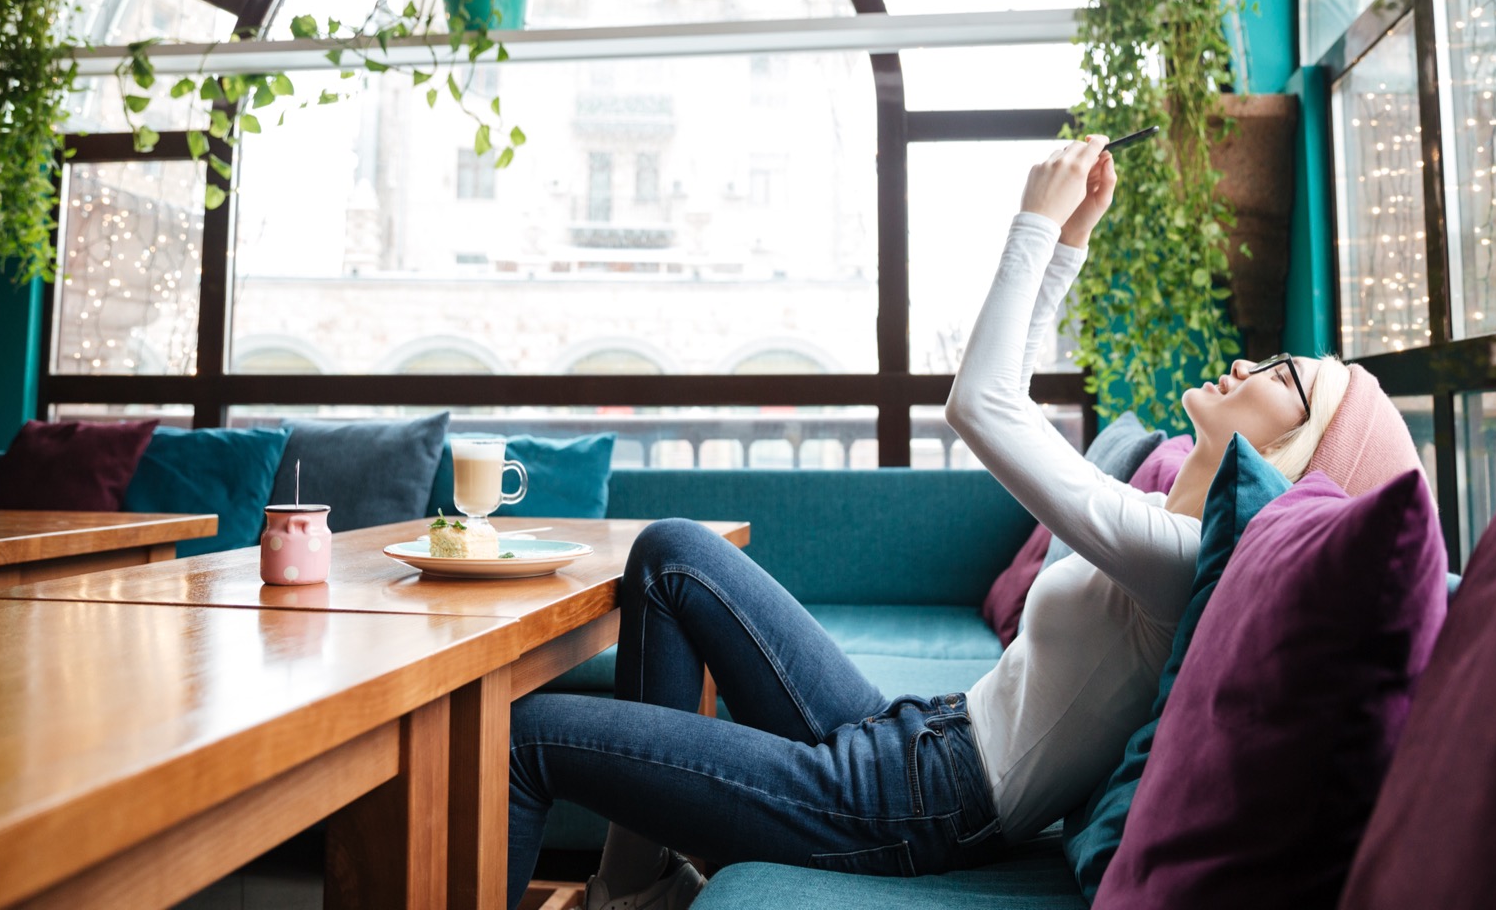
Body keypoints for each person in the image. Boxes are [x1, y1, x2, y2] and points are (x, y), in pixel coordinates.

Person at [505, 135, 1424, 910]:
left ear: (1300, 449)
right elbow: (1012, 392)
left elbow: (981, 407)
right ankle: (643, 888)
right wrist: (1069, 243)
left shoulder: (1180, 560)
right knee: (673, 554)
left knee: (530, 738)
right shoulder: (1157, 514)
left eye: (1286, 376)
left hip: (913, 804)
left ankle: (635, 887)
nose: (1250, 363)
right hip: (921, 736)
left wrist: (1028, 225)